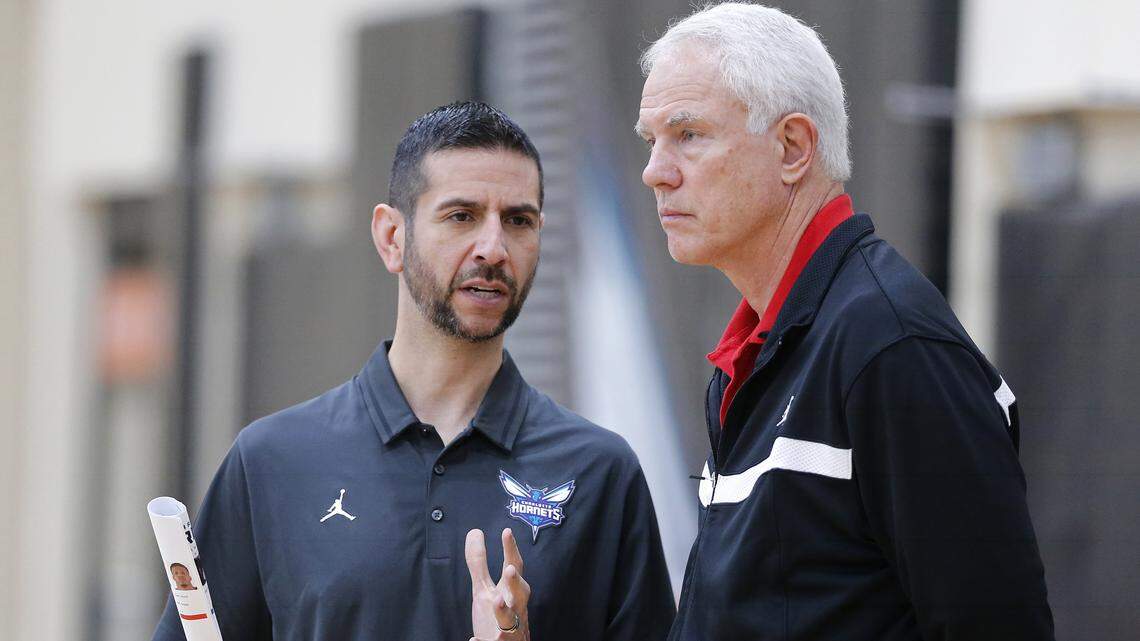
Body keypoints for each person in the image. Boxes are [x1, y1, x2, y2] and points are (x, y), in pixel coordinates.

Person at [152, 101, 674, 641]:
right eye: (461, 216)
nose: (493, 248)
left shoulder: (600, 472)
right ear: (391, 237)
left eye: (518, 221)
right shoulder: (269, 463)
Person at [635, 4, 1054, 640]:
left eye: (688, 134)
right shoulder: (760, 350)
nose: (655, 172)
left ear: (793, 148)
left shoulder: (890, 344)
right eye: (652, 140)